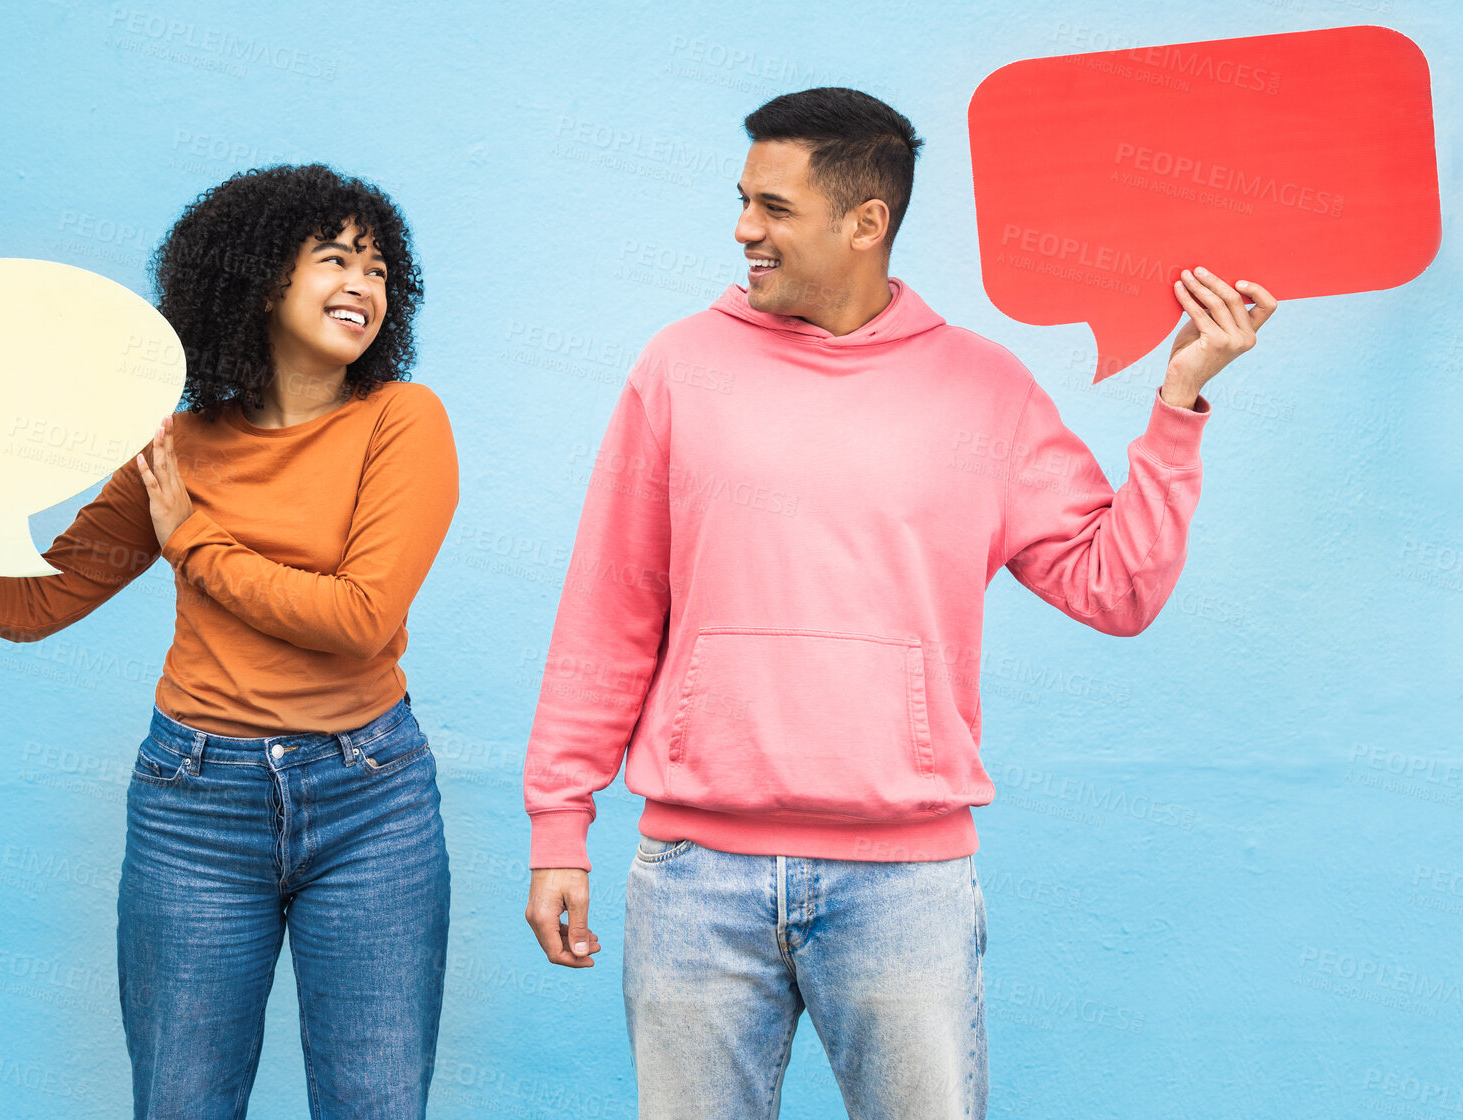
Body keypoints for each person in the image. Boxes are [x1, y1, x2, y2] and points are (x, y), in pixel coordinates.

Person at [520, 87, 1276, 1119]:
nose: (744, 228)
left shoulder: (981, 389)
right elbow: (607, 609)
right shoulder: (679, 367)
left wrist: (1179, 398)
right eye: (742, 200)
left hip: (904, 888)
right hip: (695, 877)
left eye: (773, 208)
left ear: (864, 221)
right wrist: (559, 824)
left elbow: (1116, 588)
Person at [0, 164, 459, 1120]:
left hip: (371, 797)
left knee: (376, 1104)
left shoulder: (402, 421)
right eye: (334, 260)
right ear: (255, 279)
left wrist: (192, 541)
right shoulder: (174, 446)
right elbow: (40, 600)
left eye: (377, 269)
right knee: (181, 1101)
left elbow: (357, 617)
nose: (362, 288)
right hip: (194, 802)